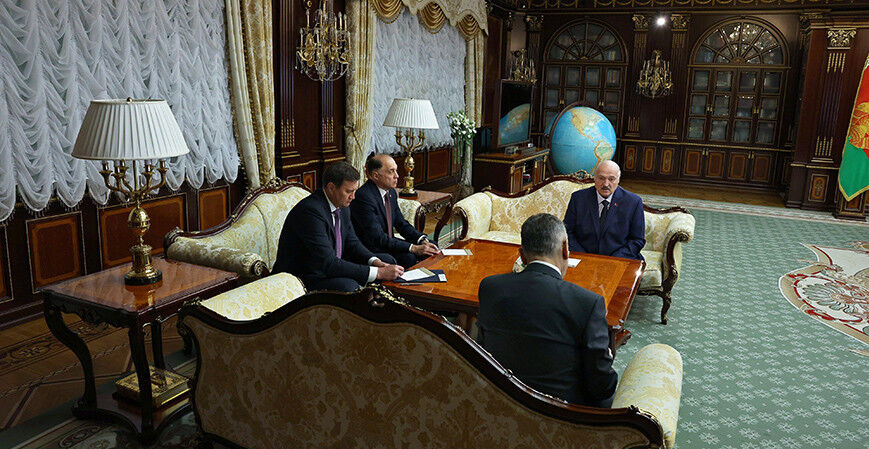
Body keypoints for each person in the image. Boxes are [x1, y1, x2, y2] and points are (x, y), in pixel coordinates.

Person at [477, 213, 618, 407]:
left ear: (522, 255)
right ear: (565, 249)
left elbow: (483, 349)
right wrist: (607, 359)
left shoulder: (490, 287)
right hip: (560, 415)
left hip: (500, 404)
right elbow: (602, 386)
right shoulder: (588, 303)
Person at [272, 162, 404, 292]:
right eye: (349, 191)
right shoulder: (310, 212)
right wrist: (379, 273)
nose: (353, 197)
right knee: (349, 286)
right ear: (331, 188)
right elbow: (328, 263)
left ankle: (383, 302)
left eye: (355, 191)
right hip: (305, 276)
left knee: (386, 260)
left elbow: (352, 243)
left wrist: (374, 261)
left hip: (329, 266)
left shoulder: (342, 205)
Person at [350, 154, 439, 269]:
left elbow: (401, 223)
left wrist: (421, 240)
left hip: (387, 242)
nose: (397, 176)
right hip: (372, 247)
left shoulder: (391, 192)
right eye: (391, 171)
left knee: (431, 246)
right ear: (376, 175)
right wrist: (413, 248)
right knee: (409, 257)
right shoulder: (364, 197)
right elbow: (377, 238)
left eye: (396, 171)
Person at [563, 160, 645, 261]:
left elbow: (637, 240)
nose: (606, 184)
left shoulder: (633, 202)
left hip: (619, 260)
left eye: (611, 179)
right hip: (583, 258)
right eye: (601, 178)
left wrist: (611, 261)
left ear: (618, 180)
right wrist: (584, 258)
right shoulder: (578, 198)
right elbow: (567, 233)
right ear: (594, 178)